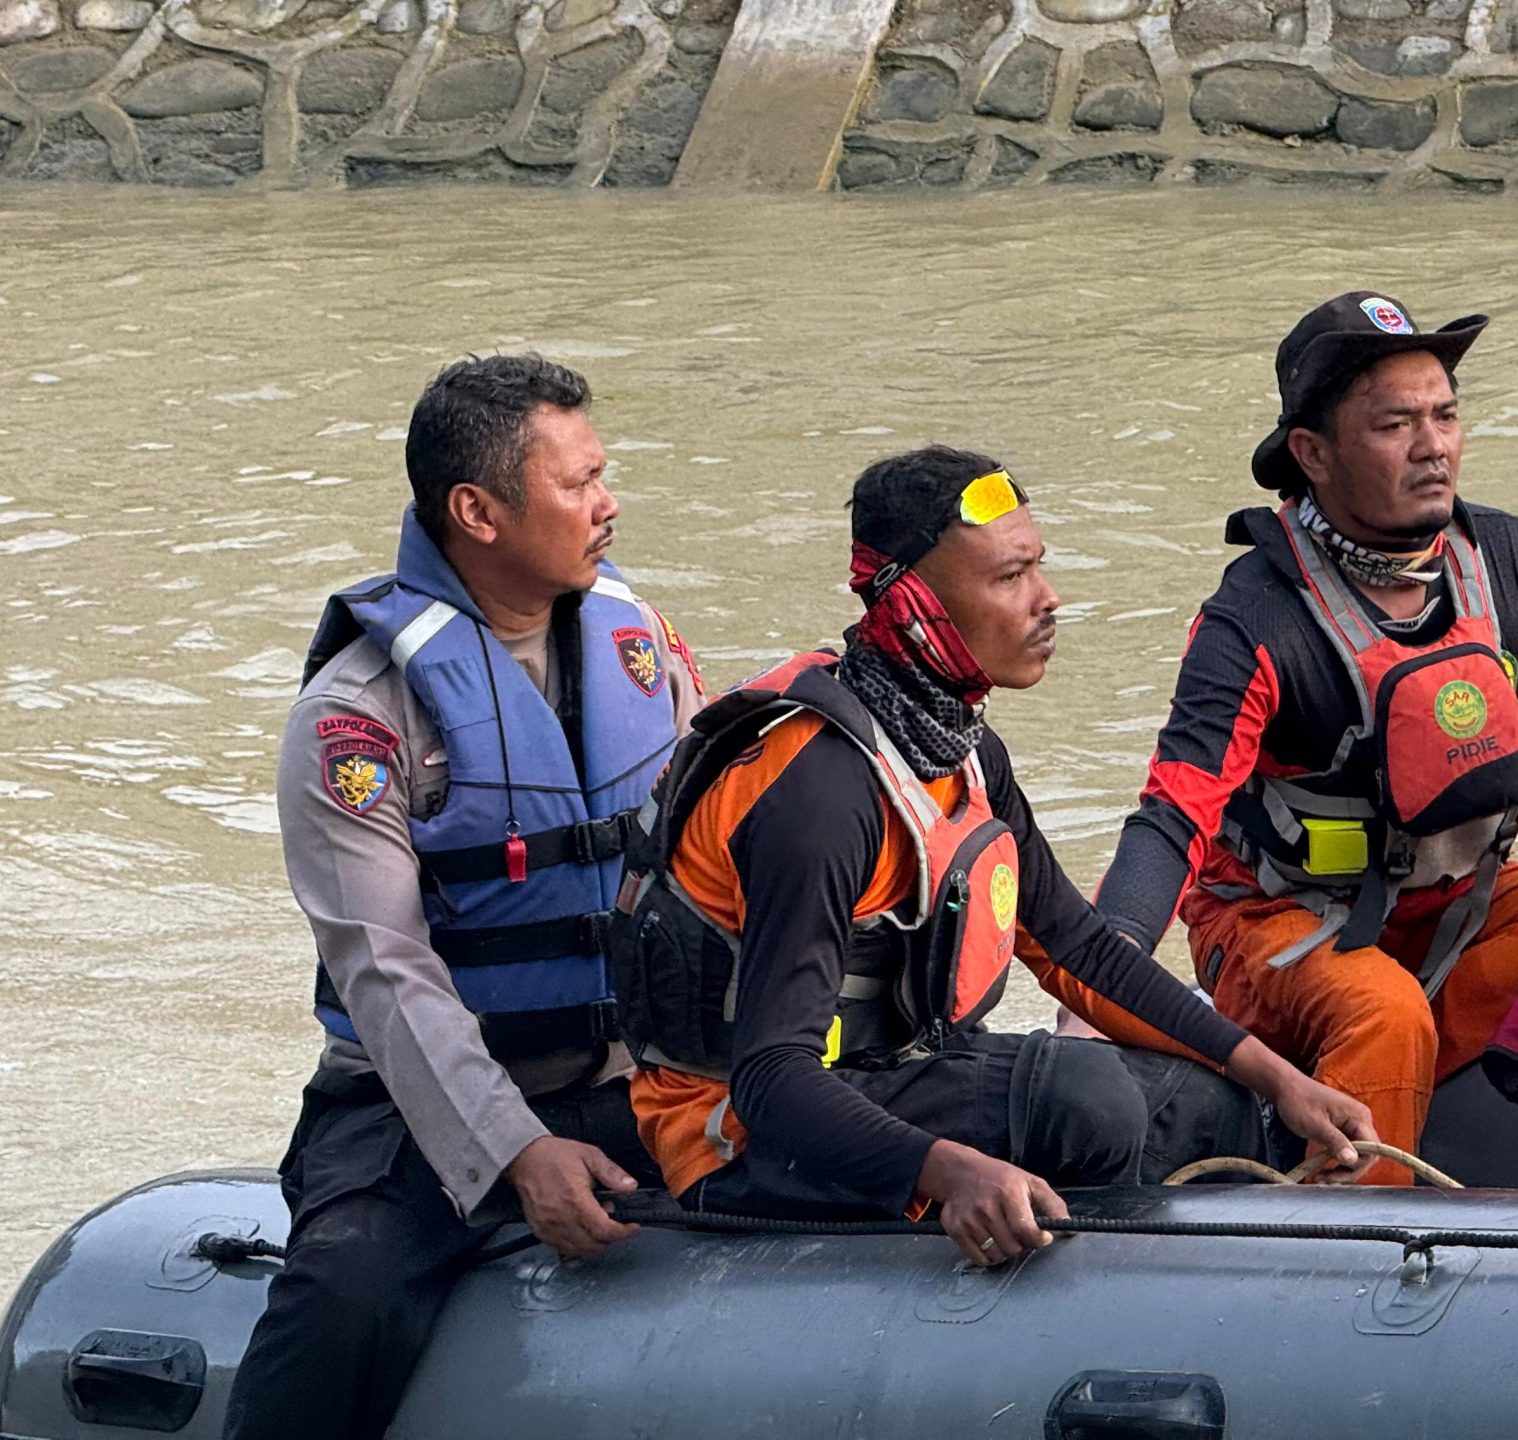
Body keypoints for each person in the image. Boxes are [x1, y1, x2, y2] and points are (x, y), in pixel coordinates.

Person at [613, 446, 1377, 1262]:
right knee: (1086, 1101)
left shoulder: (962, 747)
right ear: (912, 605)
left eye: (1038, 568)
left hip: (887, 1071)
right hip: (737, 1135)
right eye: (1010, 579)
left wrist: (1278, 1079)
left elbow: (1080, 951)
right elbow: (770, 1080)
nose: (1049, 600)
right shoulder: (823, 792)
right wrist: (949, 1174)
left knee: (1216, 1107)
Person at [227, 356, 702, 1440]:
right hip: (412, 1110)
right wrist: (516, 1152)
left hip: (640, 1081)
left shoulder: (639, 648)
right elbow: (385, 973)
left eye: (604, 474)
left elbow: (715, 863)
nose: (608, 503)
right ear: (477, 511)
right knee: (341, 1302)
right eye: (578, 483)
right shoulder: (359, 717)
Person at [1088, 292, 1518, 1186]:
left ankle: (1410, 1095)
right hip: (1271, 918)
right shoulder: (1253, 617)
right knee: (1382, 1011)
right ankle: (1351, 1218)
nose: (1434, 446)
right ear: (1313, 453)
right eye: (1395, 424)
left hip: (1453, 909)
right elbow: (1173, 818)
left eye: (1446, 415)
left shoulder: (1512, 563)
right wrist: (1096, 973)